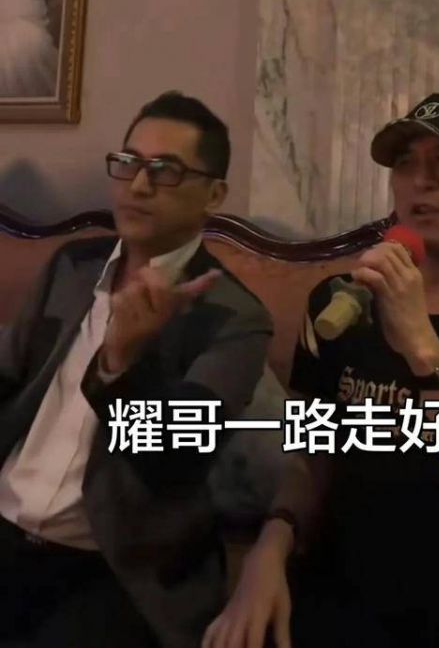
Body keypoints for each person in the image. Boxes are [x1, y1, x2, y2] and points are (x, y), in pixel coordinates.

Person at [203, 94, 439, 648]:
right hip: (334, 607)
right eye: (406, 163)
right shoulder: (338, 306)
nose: (421, 180)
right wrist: (270, 547)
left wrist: (425, 350)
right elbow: (311, 456)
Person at [0, 91, 273, 647]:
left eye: (166, 171)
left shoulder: (236, 318)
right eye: (128, 163)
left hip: (112, 568)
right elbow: (7, 382)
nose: (139, 185)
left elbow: (174, 461)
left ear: (214, 194)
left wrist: (122, 361)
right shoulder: (72, 267)